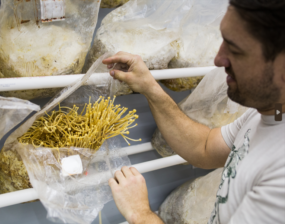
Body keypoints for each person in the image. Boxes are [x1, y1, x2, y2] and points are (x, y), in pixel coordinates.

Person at [102, 0, 285, 223]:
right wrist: (149, 86)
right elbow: (205, 146)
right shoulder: (271, 112)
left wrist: (139, 213)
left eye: (235, 50)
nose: (219, 60)